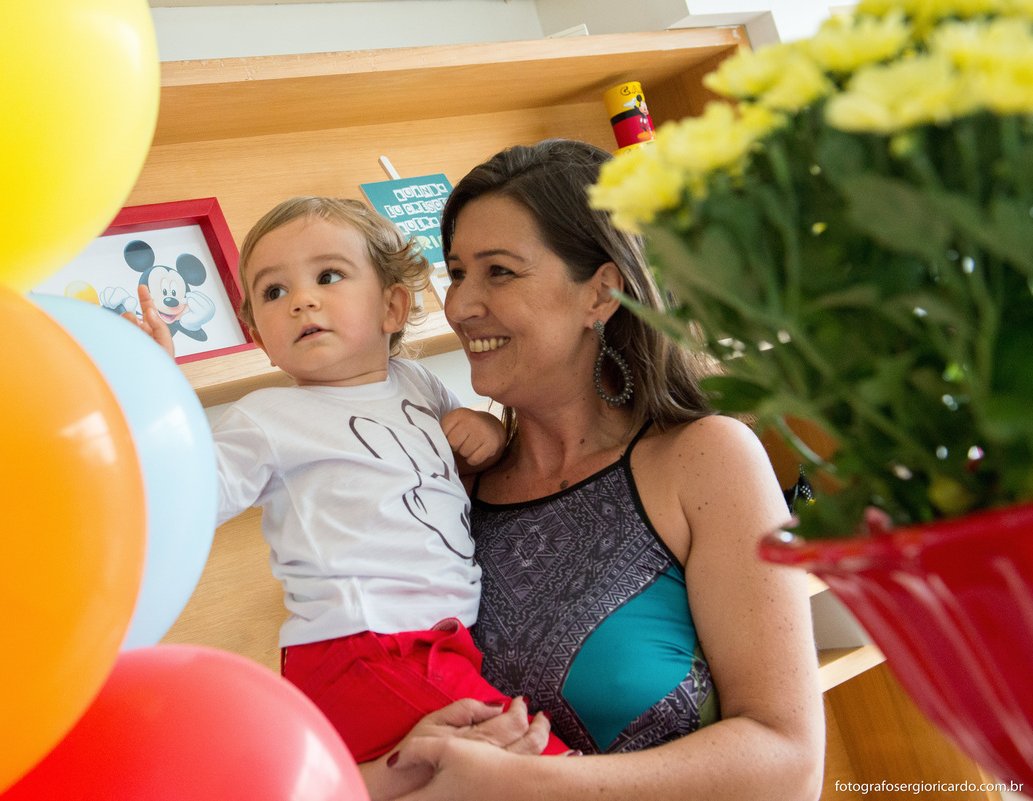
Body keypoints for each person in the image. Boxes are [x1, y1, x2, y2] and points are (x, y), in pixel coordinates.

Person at [357, 140, 825, 801]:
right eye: (457, 272)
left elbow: (789, 761)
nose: (461, 304)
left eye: (499, 272)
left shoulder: (705, 458)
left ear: (600, 292)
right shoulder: (450, 485)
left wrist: (532, 781)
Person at [126, 196, 569, 765]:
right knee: (535, 761)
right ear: (258, 337)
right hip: (358, 646)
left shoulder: (420, 385)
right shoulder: (266, 417)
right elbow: (184, 494)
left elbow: (452, 466)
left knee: (473, 772)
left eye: (328, 276)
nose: (301, 300)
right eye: (273, 292)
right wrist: (158, 394)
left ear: (392, 306)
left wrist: (483, 429)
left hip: (440, 640)